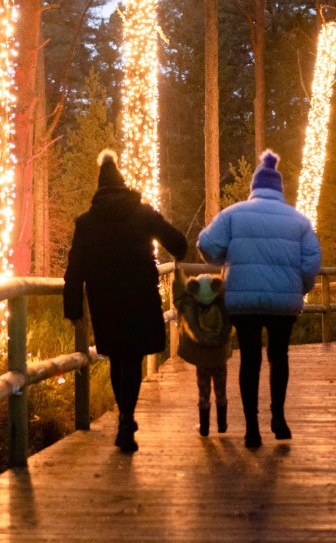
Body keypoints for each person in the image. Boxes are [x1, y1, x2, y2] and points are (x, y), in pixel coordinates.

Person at [63, 149, 188, 453]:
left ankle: (125, 418)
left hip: (104, 299)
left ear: (99, 189)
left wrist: (74, 309)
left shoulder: (86, 223)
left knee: (117, 357)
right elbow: (179, 244)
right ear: (123, 184)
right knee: (131, 358)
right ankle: (126, 420)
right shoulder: (143, 213)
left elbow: (74, 268)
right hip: (139, 295)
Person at [198, 150, 321, 449]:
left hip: (243, 301)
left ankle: (251, 428)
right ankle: (278, 419)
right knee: (279, 357)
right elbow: (311, 261)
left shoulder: (233, 214)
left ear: (254, 187)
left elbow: (206, 245)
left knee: (250, 359)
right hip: (283, 304)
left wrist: (222, 260)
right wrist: (299, 289)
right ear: (279, 189)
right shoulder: (300, 221)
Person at [173, 271, 232, 436]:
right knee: (221, 391)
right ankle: (222, 424)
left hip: (202, 360)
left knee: (203, 392)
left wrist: (178, 274)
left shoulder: (190, 308)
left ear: (194, 290)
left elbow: (179, 299)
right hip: (219, 358)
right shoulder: (224, 306)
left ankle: (204, 427)